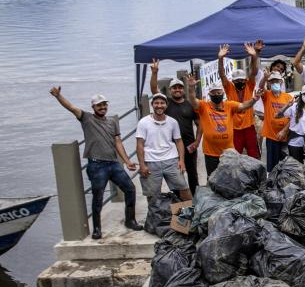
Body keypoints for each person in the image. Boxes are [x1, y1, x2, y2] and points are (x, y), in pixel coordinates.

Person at [50, 87, 141, 239]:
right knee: (97, 197)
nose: (103, 107)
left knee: (130, 189)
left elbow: (118, 142)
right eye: (99, 105)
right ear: (93, 107)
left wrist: (127, 161)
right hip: (96, 165)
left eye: (105, 105)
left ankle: (130, 220)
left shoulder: (112, 121)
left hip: (113, 164)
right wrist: (59, 96)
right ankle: (97, 229)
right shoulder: (86, 118)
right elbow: (71, 107)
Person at [184, 73, 260, 175]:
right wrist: (191, 87)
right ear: (209, 95)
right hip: (211, 153)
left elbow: (243, 106)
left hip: (228, 152)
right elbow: (193, 100)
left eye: (218, 92)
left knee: (230, 178)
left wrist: (254, 99)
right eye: (214, 93)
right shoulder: (204, 106)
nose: (216, 95)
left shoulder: (230, 105)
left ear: (223, 93)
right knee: (212, 178)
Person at [149, 60, 200, 193]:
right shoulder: (167, 104)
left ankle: (196, 199)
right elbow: (155, 90)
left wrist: (197, 141)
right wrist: (154, 73)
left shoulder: (190, 105)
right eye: (174, 88)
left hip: (189, 145)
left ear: (183, 90)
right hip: (171, 147)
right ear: (170, 90)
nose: (177, 90)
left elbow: (199, 125)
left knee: (193, 174)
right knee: (176, 177)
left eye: (180, 87)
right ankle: (180, 202)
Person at [136, 93, 192, 206]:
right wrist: (142, 165)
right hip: (151, 162)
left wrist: (181, 160)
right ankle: (155, 220)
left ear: (166, 105)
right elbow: (140, 144)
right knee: (152, 195)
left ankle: (185, 220)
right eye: (156, 103)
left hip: (171, 161)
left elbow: (179, 141)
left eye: (162, 103)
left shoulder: (172, 122)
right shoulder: (143, 122)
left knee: (184, 189)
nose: (159, 106)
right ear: (152, 105)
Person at [218, 42, 260, 159]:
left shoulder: (249, 85)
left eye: (242, 80)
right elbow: (222, 75)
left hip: (249, 126)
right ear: (233, 81)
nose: (239, 82)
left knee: (254, 155)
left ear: (245, 80)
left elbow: (253, 72)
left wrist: (253, 56)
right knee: (235, 157)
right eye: (237, 81)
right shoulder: (229, 87)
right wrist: (221, 58)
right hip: (234, 128)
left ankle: (257, 176)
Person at [278, 85, 305, 171]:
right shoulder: (294, 107)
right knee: (296, 169)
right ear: (301, 95)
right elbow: (278, 115)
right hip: (294, 142)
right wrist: (287, 105)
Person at [259, 71, 293, 172]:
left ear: (281, 82)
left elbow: (294, 116)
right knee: (272, 165)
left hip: (285, 136)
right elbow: (260, 88)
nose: (275, 83)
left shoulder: (288, 97)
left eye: (277, 81)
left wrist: (284, 131)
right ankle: (271, 184)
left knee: (285, 164)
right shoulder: (267, 95)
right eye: (272, 81)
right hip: (271, 135)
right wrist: (265, 78)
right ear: (269, 83)